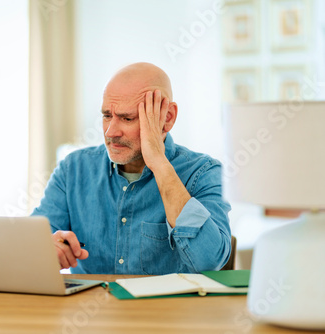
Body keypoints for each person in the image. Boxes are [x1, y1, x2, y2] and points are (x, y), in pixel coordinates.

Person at [32, 62, 231, 275]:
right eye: (107, 115)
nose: (110, 132)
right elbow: (30, 244)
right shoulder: (73, 169)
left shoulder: (203, 173)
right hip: (91, 308)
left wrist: (159, 163)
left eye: (127, 118)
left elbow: (210, 262)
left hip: (167, 309)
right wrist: (47, 248)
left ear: (167, 118)